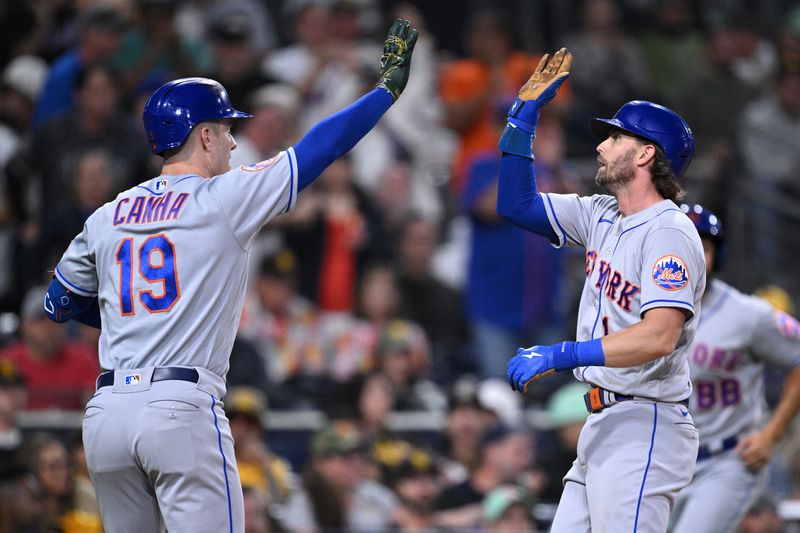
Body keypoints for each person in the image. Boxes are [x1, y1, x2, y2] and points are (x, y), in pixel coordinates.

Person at [43, 19, 418, 532]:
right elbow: (319, 149)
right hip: (180, 407)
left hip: (106, 411)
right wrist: (383, 92)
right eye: (226, 131)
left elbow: (58, 302)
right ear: (203, 135)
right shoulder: (222, 198)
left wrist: (130, 322)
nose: (234, 145)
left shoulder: (108, 212)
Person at [498, 49, 705, 532]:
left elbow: (658, 337)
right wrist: (521, 122)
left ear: (646, 153)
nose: (601, 146)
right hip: (604, 422)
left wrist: (560, 354)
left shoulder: (668, 231)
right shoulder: (600, 213)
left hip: (645, 424)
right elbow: (516, 203)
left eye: (615, 136)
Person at [671, 204, 800, 533]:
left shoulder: (747, 314)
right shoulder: (640, 310)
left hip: (725, 459)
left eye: (704, 247)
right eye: (683, 244)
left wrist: (772, 435)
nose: (694, 256)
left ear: (717, 255)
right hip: (665, 459)